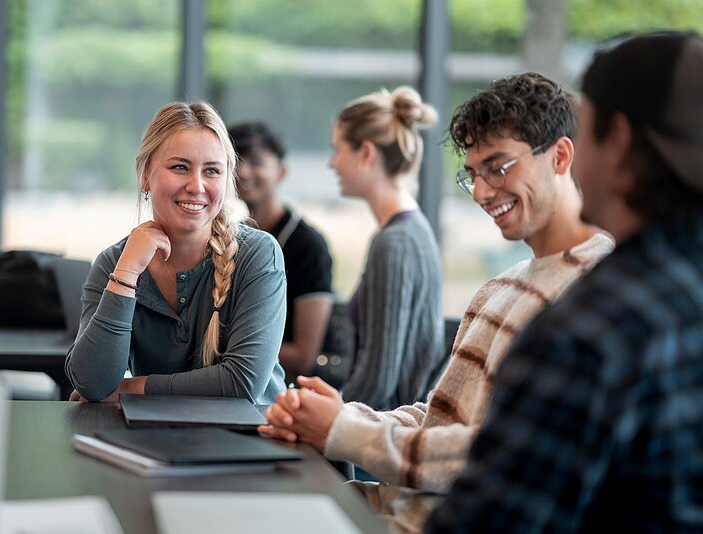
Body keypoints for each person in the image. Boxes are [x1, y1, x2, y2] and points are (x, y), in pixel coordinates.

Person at [260, 72, 615, 532]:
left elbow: (499, 456)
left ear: (561, 156)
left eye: (499, 167)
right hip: (396, 503)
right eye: (473, 175)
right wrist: (342, 415)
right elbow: (438, 416)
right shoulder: (498, 289)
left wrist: (343, 431)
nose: (484, 192)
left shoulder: (596, 292)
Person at [425, 31, 703, 531]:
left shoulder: (592, 329)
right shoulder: (681, 291)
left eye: (587, 128)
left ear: (614, 141)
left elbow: (490, 520)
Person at [65, 101, 286, 405]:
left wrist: (130, 388)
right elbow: (91, 383)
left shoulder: (258, 254)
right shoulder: (114, 263)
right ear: (145, 174)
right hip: (154, 441)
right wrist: (127, 272)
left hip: (252, 440)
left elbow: (242, 382)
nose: (196, 186)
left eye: (212, 171)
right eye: (180, 167)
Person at [318, 86, 445, 410]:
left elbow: (379, 379)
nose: (333, 163)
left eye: (338, 150)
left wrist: (330, 418)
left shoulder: (396, 243)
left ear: (366, 154)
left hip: (381, 440)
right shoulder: (403, 233)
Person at [229, 121, 334, 378]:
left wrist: (223, 344)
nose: (243, 172)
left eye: (256, 162)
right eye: (235, 162)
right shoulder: (231, 237)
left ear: (282, 171)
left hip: (284, 394)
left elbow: (304, 356)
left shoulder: (308, 246)